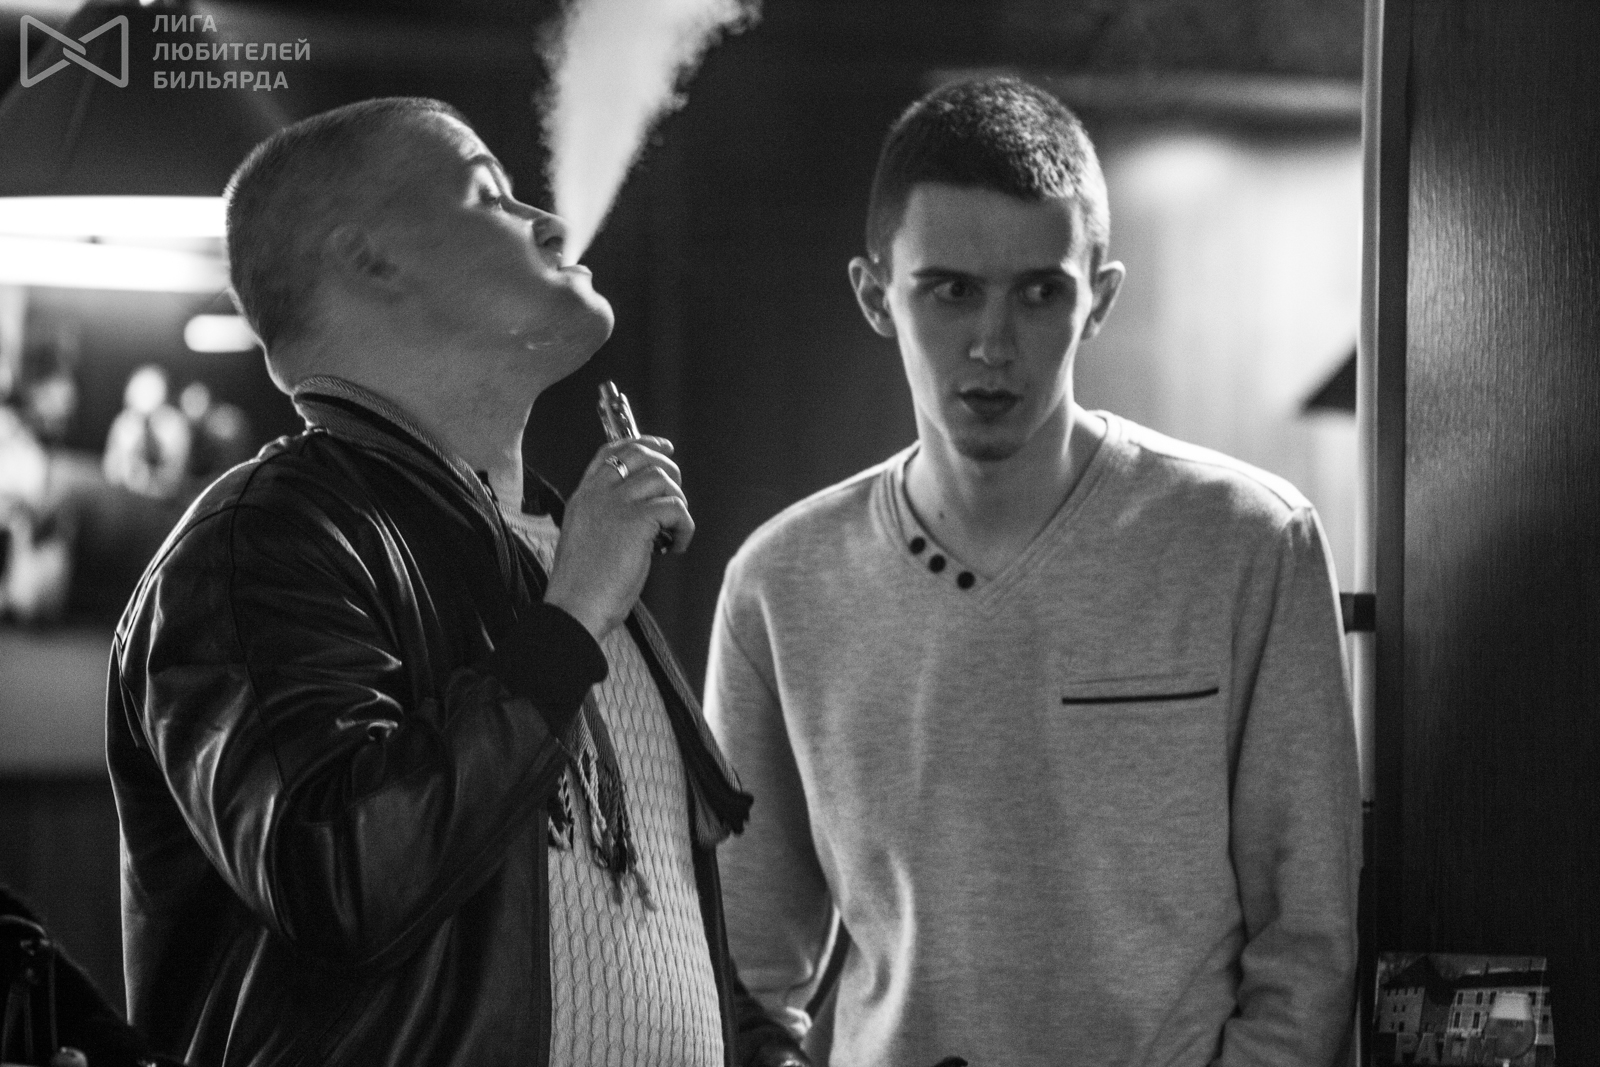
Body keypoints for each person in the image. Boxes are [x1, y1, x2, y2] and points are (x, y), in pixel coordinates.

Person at [107, 97, 806, 1067]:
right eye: (489, 196)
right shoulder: (258, 539)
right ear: (371, 258)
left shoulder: (568, 551)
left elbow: (659, 933)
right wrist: (570, 621)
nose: (550, 224)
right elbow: (337, 871)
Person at [705, 76, 1361, 1066]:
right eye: (951, 289)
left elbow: (1306, 939)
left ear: (1099, 299)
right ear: (876, 295)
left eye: (1039, 292)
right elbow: (746, 969)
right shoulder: (781, 582)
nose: (992, 343)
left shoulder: (1247, 542)